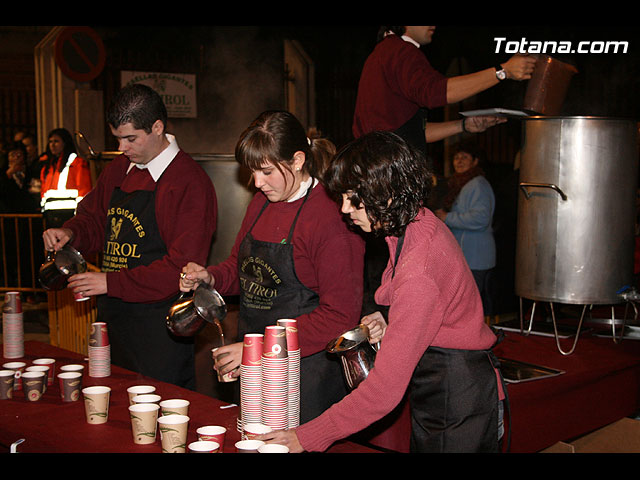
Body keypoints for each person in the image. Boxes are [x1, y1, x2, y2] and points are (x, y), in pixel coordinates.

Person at [256, 131, 506, 453]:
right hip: (447, 385)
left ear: (384, 193)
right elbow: (436, 309)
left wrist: (306, 436)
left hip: (458, 397)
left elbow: (383, 392)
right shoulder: (414, 221)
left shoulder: (419, 271)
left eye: (352, 197)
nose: (344, 208)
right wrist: (391, 320)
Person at [179, 110, 365, 423]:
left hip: (306, 376)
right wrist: (210, 277)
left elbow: (339, 316)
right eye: (252, 171)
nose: (257, 182)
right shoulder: (261, 203)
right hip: (255, 364)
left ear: (297, 160)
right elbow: (242, 269)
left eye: (266, 171)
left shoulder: (330, 218)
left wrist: (258, 348)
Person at [42, 84, 218, 389]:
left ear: (157, 127)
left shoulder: (189, 182)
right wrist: (71, 232)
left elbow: (180, 268)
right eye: (118, 139)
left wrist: (110, 282)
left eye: (130, 138)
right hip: (114, 318)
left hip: (159, 328)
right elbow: (95, 220)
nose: (122, 148)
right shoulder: (120, 169)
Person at [436, 143, 496, 315]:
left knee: (470, 305)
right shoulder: (460, 184)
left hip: (476, 257)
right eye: (456, 158)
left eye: (464, 157)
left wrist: (447, 217)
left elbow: (480, 218)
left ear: (475, 161)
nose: (459, 161)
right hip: (467, 256)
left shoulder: (478, 184)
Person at [39, 128, 93, 227]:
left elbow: (84, 189)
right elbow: (44, 190)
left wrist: (80, 212)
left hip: (70, 214)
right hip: (50, 215)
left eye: (56, 141)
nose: (52, 145)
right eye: (50, 142)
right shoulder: (48, 166)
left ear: (65, 143)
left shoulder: (77, 163)